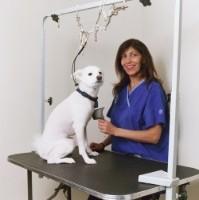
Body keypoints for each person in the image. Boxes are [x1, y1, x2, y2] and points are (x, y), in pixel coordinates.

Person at [88, 39, 169, 200]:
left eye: (134, 55)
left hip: (147, 165)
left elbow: (154, 136)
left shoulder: (153, 89)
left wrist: (115, 130)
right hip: (122, 162)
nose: (128, 60)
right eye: (124, 56)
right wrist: (103, 144)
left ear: (143, 59)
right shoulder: (121, 91)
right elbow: (118, 128)